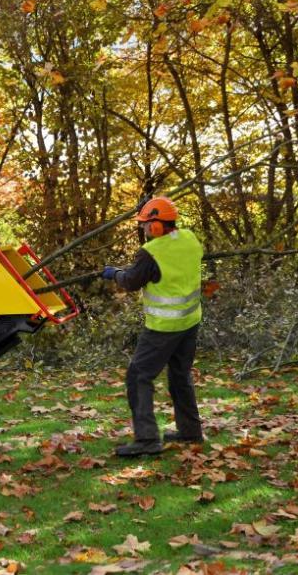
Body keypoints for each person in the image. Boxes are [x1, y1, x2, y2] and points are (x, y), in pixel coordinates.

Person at [102, 196, 204, 457]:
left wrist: (114, 273)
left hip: (163, 326)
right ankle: (190, 431)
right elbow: (160, 271)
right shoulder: (190, 239)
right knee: (180, 375)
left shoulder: (152, 252)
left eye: (147, 224)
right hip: (190, 322)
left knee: (138, 376)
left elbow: (132, 281)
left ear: (157, 225)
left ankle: (147, 440)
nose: (144, 229)